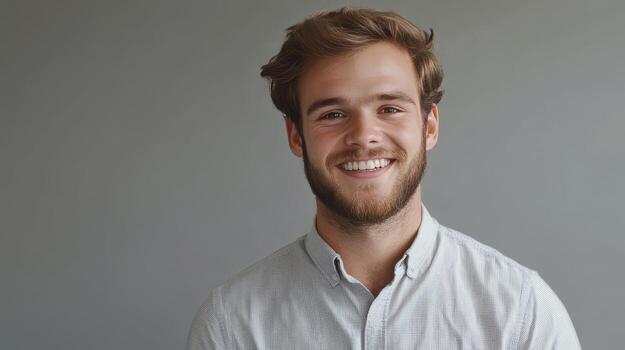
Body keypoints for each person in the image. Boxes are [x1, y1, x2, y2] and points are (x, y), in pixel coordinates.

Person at [186, 7, 581, 349]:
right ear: (295, 136)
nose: (363, 136)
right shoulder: (232, 325)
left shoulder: (520, 310)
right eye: (332, 114)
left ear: (429, 127)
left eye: (390, 108)